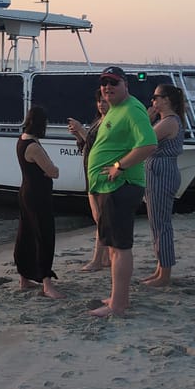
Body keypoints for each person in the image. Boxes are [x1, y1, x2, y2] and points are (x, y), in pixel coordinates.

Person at [86, 67, 157, 317]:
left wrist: (119, 165)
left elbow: (149, 143)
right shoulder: (115, 109)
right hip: (109, 187)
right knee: (114, 248)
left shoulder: (132, 109)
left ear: (125, 84)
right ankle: (117, 297)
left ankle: (119, 304)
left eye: (113, 82)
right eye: (104, 83)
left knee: (121, 246)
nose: (107, 87)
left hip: (122, 186)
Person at [14, 105, 63, 299]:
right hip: (37, 196)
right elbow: (53, 172)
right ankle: (46, 282)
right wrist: (52, 169)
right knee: (44, 235)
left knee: (26, 234)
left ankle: (24, 277)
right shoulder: (33, 146)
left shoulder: (21, 141)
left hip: (26, 192)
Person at [141, 84, 185, 288]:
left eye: (156, 97)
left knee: (161, 224)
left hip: (162, 173)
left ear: (166, 100)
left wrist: (146, 118)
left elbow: (143, 140)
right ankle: (161, 268)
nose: (153, 101)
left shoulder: (169, 122)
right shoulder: (166, 121)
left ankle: (165, 273)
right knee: (156, 223)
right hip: (158, 172)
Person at [68, 89, 111, 271]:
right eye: (99, 101)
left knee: (101, 217)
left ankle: (97, 260)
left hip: (101, 173)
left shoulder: (110, 123)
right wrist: (78, 135)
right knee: (100, 217)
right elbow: (87, 146)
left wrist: (81, 130)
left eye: (104, 101)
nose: (101, 104)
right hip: (91, 171)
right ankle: (106, 257)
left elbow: (99, 147)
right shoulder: (98, 121)